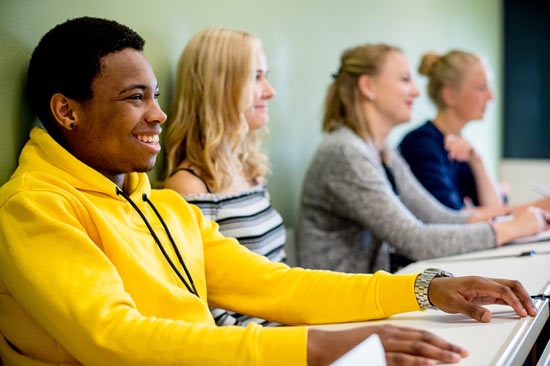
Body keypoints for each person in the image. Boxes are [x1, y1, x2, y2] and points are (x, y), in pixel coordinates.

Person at [0, 18, 539, 366]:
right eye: (135, 98)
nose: (158, 114)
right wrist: (313, 347)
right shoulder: (34, 208)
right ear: (66, 111)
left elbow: (275, 285)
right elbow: (115, 340)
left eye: (156, 96)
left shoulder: (159, 205)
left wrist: (426, 289)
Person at [298, 44, 548, 274]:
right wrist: (510, 228)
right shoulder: (346, 153)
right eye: (405, 80)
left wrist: (521, 218)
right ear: (368, 87)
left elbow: (438, 216)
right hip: (341, 307)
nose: (417, 92)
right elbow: (416, 239)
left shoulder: (384, 153)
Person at [163, 28, 284, 327]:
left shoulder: (251, 168)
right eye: (256, 77)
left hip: (290, 328)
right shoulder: (189, 185)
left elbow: (280, 274)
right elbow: (201, 303)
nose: (270, 91)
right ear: (221, 86)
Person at [399, 50, 550, 215]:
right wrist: (538, 207)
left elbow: (494, 209)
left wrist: (477, 161)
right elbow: (451, 218)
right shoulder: (420, 145)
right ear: (450, 95)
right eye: (481, 87)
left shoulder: (461, 147)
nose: (491, 96)